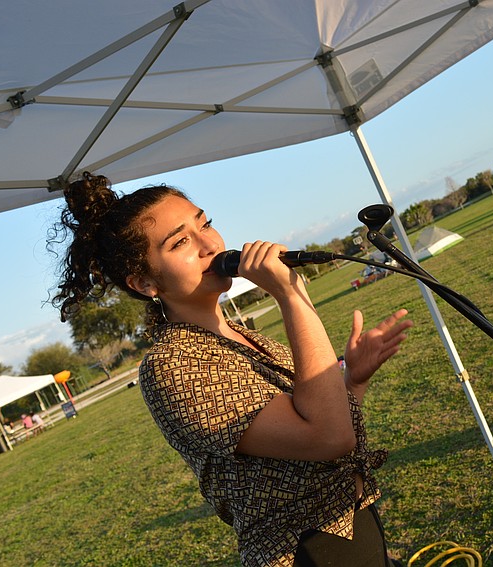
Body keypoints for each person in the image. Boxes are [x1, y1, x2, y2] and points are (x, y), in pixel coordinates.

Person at [50, 173, 413, 567]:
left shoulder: (247, 338)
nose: (210, 244)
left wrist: (351, 382)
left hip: (360, 538)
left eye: (204, 224)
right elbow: (329, 438)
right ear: (143, 282)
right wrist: (290, 294)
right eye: (181, 242)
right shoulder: (172, 367)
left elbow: (321, 430)